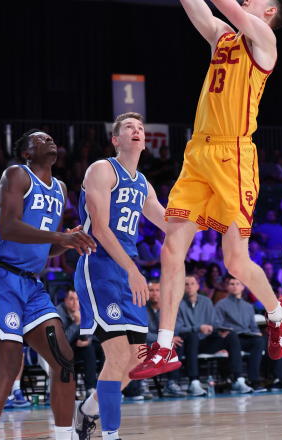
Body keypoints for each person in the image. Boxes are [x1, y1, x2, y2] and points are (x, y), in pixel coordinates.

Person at [130, 0, 282, 381]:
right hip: (198, 152)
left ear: (267, 11)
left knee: (234, 260)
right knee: (170, 247)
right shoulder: (223, 38)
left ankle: (278, 312)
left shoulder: (263, 41)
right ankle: (163, 346)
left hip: (233, 154)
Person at [0, 129, 96, 440]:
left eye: (51, 137)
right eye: (39, 138)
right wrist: (59, 236)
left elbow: (45, 247)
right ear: (26, 152)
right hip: (1, 277)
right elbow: (9, 228)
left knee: (63, 358)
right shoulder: (16, 176)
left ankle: (65, 434)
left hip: (32, 286)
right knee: (9, 360)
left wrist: (66, 242)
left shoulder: (61, 188)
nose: (48, 139)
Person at [73, 112, 167, 440]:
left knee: (135, 362)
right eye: (129, 127)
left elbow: (169, 223)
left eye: (141, 127)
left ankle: (88, 410)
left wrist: (210, 217)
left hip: (127, 272)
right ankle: (110, 434)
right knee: (115, 356)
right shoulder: (102, 169)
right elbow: (99, 227)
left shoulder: (143, 183)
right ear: (116, 140)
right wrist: (132, 270)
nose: (137, 130)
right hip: (99, 267)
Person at [176, 275, 253, 394]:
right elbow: (178, 328)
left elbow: (214, 323)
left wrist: (219, 331)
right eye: (186, 284)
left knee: (231, 335)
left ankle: (238, 379)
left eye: (192, 283)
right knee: (192, 336)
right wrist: (198, 328)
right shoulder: (177, 304)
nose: (190, 287)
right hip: (188, 343)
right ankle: (194, 382)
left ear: (197, 286)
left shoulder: (206, 301)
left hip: (206, 340)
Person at [214, 276, 266, 392]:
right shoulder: (221, 305)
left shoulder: (248, 306)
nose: (235, 286)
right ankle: (238, 379)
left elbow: (253, 326)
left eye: (238, 284)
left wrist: (257, 333)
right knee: (234, 339)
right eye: (232, 284)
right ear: (227, 287)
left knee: (259, 341)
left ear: (243, 287)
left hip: (245, 337)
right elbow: (217, 324)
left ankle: (254, 380)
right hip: (230, 338)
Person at [56, 287, 103, 396]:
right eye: (71, 299)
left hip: (81, 347)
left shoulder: (85, 310)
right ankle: (91, 387)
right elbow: (62, 340)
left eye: (77, 299)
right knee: (88, 350)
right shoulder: (58, 313)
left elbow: (94, 331)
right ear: (65, 300)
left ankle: (104, 385)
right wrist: (77, 323)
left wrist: (87, 339)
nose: (75, 303)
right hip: (64, 350)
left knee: (101, 347)